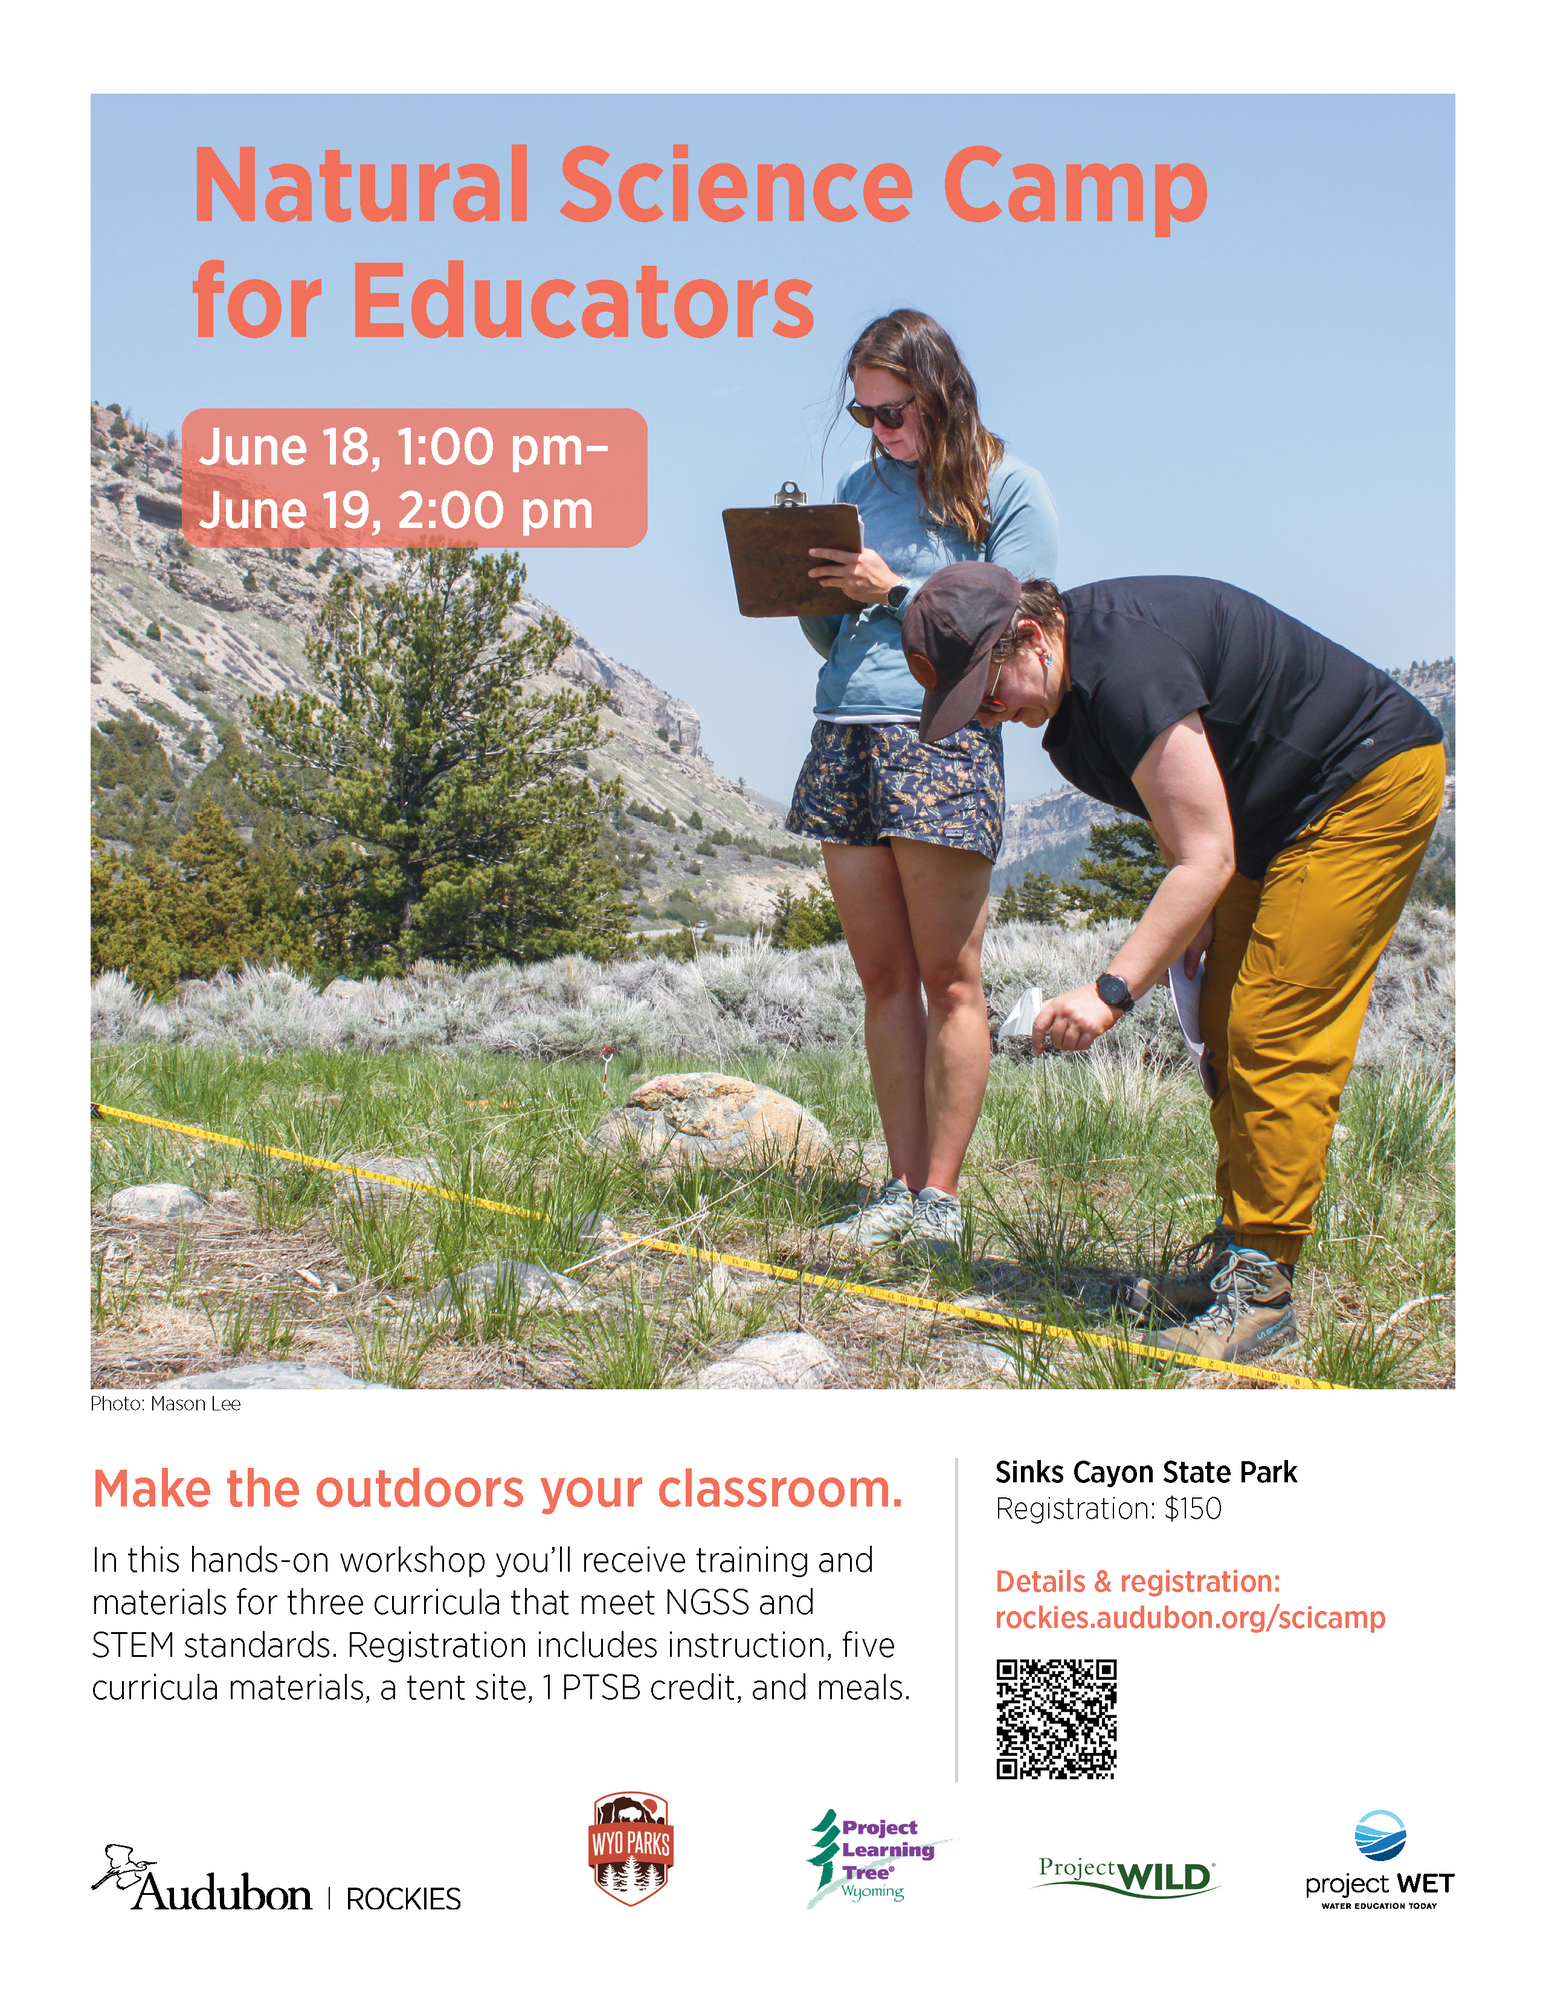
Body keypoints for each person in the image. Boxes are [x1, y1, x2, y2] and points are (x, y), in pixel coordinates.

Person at [900, 564, 1445, 1360]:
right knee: (1224, 1021)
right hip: (1267, 821)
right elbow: (1182, 817)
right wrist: (1191, 925)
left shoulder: (1124, 667)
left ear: (1029, 635)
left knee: (1272, 1022)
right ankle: (1238, 1252)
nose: (993, 717)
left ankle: (1262, 1290)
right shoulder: (1071, 721)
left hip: (1362, 783)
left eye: (988, 693)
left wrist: (1111, 990)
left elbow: (1205, 856)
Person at [785, 309, 1058, 1249]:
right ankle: (898, 1190)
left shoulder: (1011, 488)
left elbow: (1014, 621)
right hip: (846, 728)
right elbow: (834, 629)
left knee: (951, 976)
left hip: (939, 732)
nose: (879, 435)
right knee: (882, 975)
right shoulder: (859, 489)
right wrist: (808, 591)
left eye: (893, 414)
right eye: (864, 416)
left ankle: (940, 1202)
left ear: (941, 393)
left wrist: (891, 589)